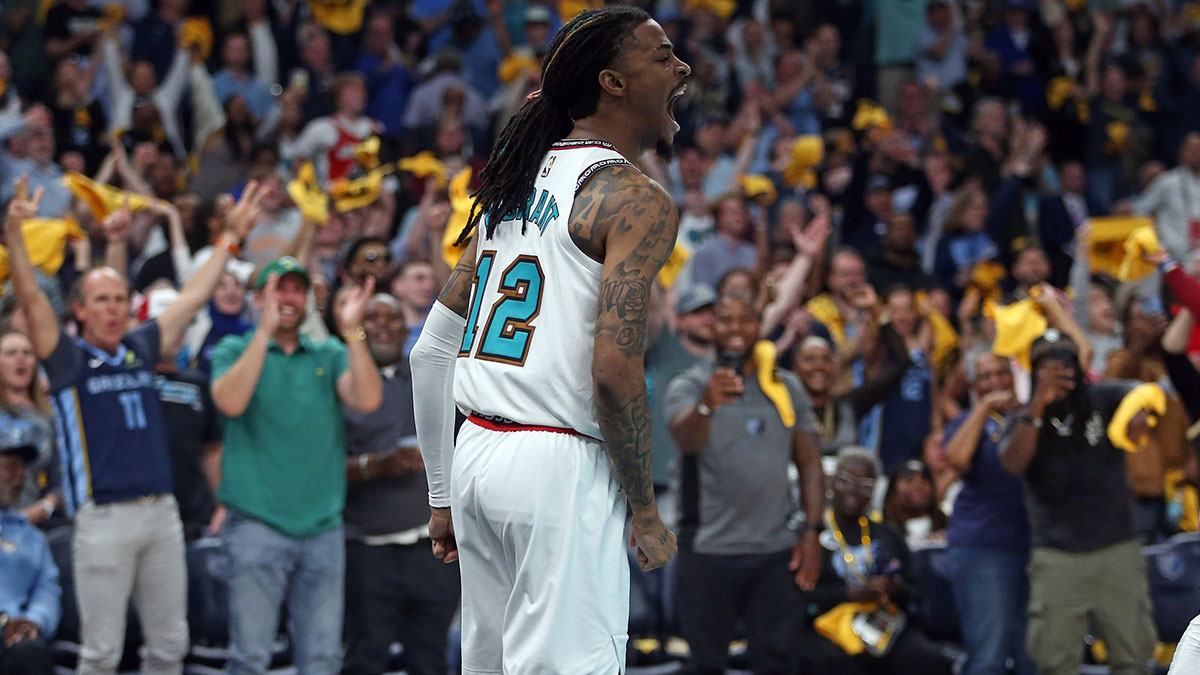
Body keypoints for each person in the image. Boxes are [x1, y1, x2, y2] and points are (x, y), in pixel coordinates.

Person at [410, 7, 692, 672]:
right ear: (613, 82)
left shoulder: (511, 185)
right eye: (662, 56)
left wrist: (443, 494)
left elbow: (431, 352)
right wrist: (645, 508)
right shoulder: (633, 197)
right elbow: (615, 369)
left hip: (478, 452)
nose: (681, 68)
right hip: (558, 461)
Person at [5, 175, 264, 675]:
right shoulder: (66, 360)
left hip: (162, 514)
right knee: (101, 653)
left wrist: (229, 242)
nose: (113, 308)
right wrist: (14, 236)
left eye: (120, 300)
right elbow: (32, 301)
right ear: (78, 310)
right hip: (102, 518)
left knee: (170, 646)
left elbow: (191, 298)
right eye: (100, 300)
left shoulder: (141, 347)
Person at [210, 256, 382, 675]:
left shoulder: (329, 352)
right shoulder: (234, 348)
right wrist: (264, 330)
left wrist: (353, 332)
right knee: (250, 657)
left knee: (322, 660)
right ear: (257, 298)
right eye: (278, 288)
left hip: (323, 527)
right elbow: (230, 401)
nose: (288, 297)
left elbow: (367, 400)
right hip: (256, 524)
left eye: (296, 289)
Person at [664, 292, 825, 673]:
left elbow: (810, 462)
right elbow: (687, 441)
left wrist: (813, 531)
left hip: (776, 552)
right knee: (706, 664)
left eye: (745, 320)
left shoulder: (786, 386)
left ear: (759, 325)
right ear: (712, 327)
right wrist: (707, 404)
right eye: (726, 320)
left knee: (777, 662)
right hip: (707, 550)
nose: (736, 329)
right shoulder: (690, 384)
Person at [999, 330, 1158, 675]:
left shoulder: (1102, 397)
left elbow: (1141, 395)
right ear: (1034, 371)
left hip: (1116, 548)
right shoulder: (1023, 419)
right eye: (1048, 364)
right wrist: (1039, 401)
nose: (1060, 371)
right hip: (1057, 555)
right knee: (1056, 665)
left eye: (1067, 362)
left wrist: (1136, 416)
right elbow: (1013, 464)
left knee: (1133, 660)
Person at [342, 294, 459, 675]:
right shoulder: (343, 382)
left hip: (431, 550)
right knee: (366, 658)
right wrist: (375, 466)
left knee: (430, 659)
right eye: (370, 318)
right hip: (368, 548)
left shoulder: (432, 374)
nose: (381, 325)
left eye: (391, 317)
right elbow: (318, 467)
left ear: (405, 327)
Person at [803, 447, 953, 674]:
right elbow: (800, 597)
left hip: (882, 621)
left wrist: (895, 588)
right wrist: (847, 594)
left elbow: (915, 590)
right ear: (832, 482)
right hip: (827, 625)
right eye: (846, 481)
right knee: (831, 662)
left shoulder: (888, 535)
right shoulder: (812, 536)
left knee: (929, 660)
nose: (854, 491)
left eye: (864, 486)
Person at [942, 348, 1035, 675]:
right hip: (983, 546)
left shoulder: (1029, 416)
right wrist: (983, 407)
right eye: (985, 376)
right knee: (989, 656)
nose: (996, 381)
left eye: (1001, 373)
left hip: (1033, 543)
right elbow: (956, 460)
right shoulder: (964, 423)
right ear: (973, 383)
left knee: (1032, 656)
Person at [0, 428, 60, 675]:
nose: (21, 477)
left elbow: (47, 589)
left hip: (14, 642)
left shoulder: (31, 537)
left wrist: (33, 621)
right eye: (11, 467)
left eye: (23, 469)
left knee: (30, 651)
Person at [0, 331, 60, 526]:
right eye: (11, 353)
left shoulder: (51, 417)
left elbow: (63, 478)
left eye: (27, 353)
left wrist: (44, 508)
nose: (21, 359)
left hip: (37, 522)